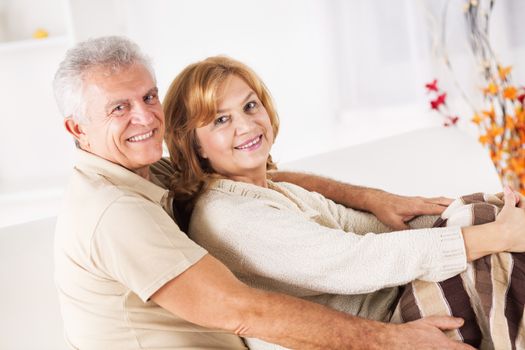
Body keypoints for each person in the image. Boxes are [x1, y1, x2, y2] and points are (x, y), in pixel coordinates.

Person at [53, 35, 474, 350]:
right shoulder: (114, 212)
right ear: (77, 128)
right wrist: (393, 341)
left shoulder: (141, 169)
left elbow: (250, 175)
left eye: (148, 96)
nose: (145, 117)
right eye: (118, 108)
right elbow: (241, 310)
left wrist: (371, 198)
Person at [162, 55, 525, 349]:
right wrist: (497, 237)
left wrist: (474, 219)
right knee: (496, 253)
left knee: (482, 216)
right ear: (193, 144)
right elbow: (355, 260)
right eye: (222, 120)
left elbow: (365, 227)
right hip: (388, 324)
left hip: (397, 296)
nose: (246, 125)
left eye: (250, 106)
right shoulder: (231, 218)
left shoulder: (269, 187)